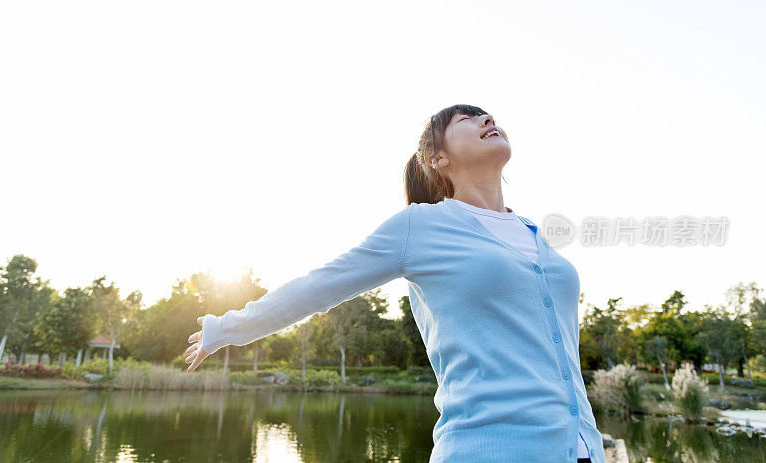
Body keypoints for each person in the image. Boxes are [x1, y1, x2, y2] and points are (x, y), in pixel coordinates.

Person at [184, 104, 605, 463]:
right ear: (437, 158)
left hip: (581, 449)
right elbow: (322, 285)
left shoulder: (534, 233)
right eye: (467, 118)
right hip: (488, 448)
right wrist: (225, 328)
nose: (486, 118)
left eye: (486, 114)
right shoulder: (420, 227)